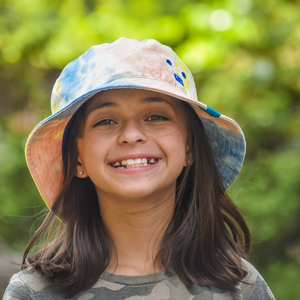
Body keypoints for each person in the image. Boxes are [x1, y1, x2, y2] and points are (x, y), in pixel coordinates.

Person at [3, 37, 275, 300]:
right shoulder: (35, 293)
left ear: (190, 148)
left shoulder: (241, 289)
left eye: (156, 116)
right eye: (106, 121)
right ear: (77, 159)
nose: (131, 135)